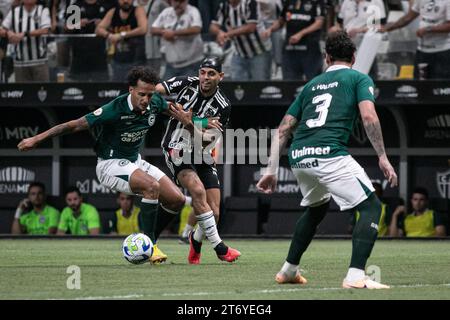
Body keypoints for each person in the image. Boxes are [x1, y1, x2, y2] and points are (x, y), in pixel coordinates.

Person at [256, 31, 398, 289]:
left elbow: (283, 129)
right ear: (354, 57)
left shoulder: (311, 85)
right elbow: (369, 117)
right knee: (371, 208)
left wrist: (271, 169)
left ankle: (289, 270)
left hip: (299, 156)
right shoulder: (358, 78)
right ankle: (356, 276)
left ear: (326, 57)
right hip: (329, 154)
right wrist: (383, 157)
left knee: (316, 208)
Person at [17, 66, 186, 264]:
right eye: (142, 94)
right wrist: (37, 139)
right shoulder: (113, 109)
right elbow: (74, 125)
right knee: (152, 187)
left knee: (177, 199)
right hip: (109, 165)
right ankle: (151, 247)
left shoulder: (154, 101)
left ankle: (149, 241)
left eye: (149, 95)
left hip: (134, 161)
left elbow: (177, 111)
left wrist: (199, 121)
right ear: (131, 90)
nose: (146, 100)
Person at [153, 56, 241, 264]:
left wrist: (189, 122)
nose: (205, 77)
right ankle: (220, 248)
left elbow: (207, 140)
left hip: (202, 152)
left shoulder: (223, 105)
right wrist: (190, 118)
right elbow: (154, 92)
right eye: (203, 72)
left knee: (215, 212)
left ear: (221, 76)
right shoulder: (186, 83)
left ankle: (195, 239)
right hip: (176, 148)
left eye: (211, 74)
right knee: (198, 192)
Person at [380, 0, 450, 79]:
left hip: (442, 51)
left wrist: (428, 29)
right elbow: (408, 18)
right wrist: (387, 28)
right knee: (418, 84)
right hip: (422, 51)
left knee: (440, 86)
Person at [262, 0, 325, 80]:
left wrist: (300, 34)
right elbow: (281, 21)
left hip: (310, 51)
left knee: (314, 83)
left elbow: (319, 23)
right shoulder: (289, 2)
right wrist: (270, 29)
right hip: (290, 50)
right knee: (289, 85)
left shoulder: (316, 2)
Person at [209, 0, 272, 81]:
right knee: (238, 85)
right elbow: (212, 26)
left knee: (259, 84)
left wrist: (227, 34)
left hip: (259, 51)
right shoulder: (224, 6)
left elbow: (251, 27)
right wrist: (219, 32)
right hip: (239, 53)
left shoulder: (250, 3)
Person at [96, 0, 147, 81]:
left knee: (136, 88)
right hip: (118, 60)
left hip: (136, 60)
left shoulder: (138, 10)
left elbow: (143, 29)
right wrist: (109, 35)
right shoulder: (113, 12)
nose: (126, 1)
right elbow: (98, 29)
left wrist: (121, 35)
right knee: (117, 88)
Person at [151, 0, 204, 79]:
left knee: (187, 90)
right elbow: (152, 29)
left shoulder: (193, 11)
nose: (178, 4)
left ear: (186, 1)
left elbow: (196, 29)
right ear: (171, 1)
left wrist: (174, 33)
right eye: (176, 1)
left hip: (191, 64)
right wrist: (165, 32)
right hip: (171, 65)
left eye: (181, 1)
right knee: (165, 90)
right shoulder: (166, 12)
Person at [1, 0, 51, 82]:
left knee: (42, 91)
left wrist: (24, 34)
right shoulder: (14, 12)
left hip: (39, 61)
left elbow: (45, 30)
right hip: (20, 62)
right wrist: (8, 33)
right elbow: (1, 30)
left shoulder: (42, 10)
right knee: (22, 93)